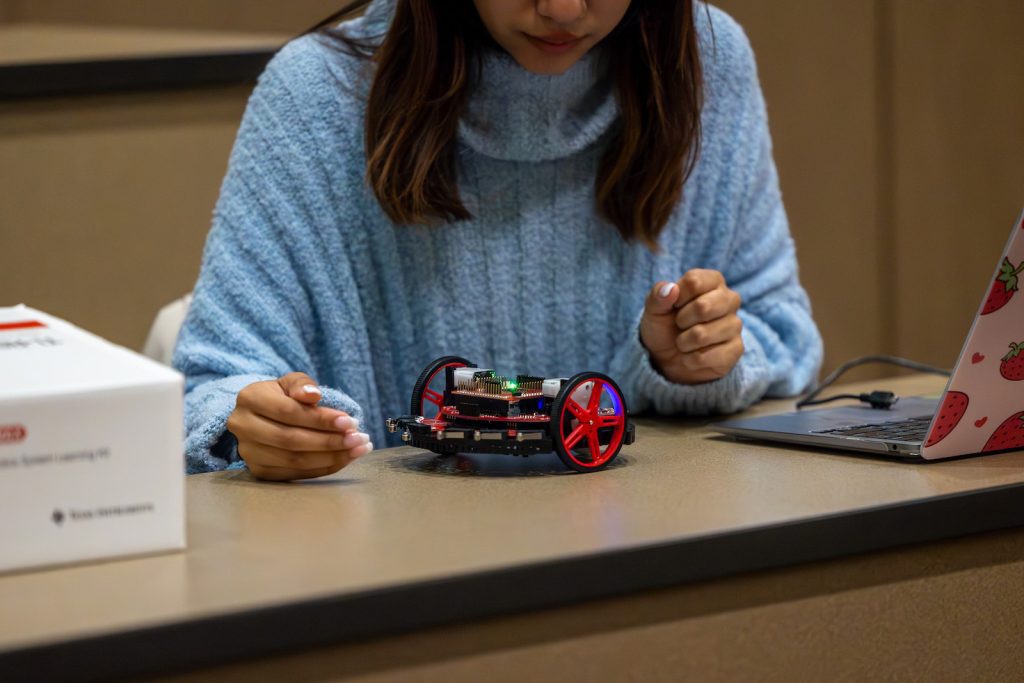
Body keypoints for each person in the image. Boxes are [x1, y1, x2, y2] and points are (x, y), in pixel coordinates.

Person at [174, 0, 823, 481]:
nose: (564, 8)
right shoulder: (316, 94)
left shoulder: (707, 64)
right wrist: (252, 422)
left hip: (643, 554)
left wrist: (695, 357)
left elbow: (781, 330)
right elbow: (208, 383)